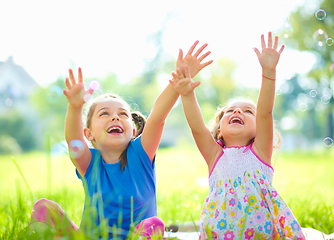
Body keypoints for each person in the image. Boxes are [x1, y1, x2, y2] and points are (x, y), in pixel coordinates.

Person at [28, 41, 213, 240]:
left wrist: (176, 85)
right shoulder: (90, 163)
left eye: (123, 114)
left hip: (136, 237)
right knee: (44, 207)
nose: (115, 117)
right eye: (104, 114)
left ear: (133, 130)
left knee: (154, 225)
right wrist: (74, 107)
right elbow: (74, 140)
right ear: (89, 134)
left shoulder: (140, 154)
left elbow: (158, 117)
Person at [170, 32, 307, 239]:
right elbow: (197, 127)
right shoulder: (215, 155)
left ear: (259, 128)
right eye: (230, 111)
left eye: (247, 111)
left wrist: (269, 72)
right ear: (218, 130)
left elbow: (265, 111)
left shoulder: (260, 151)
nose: (237, 112)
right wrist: (187, 93)